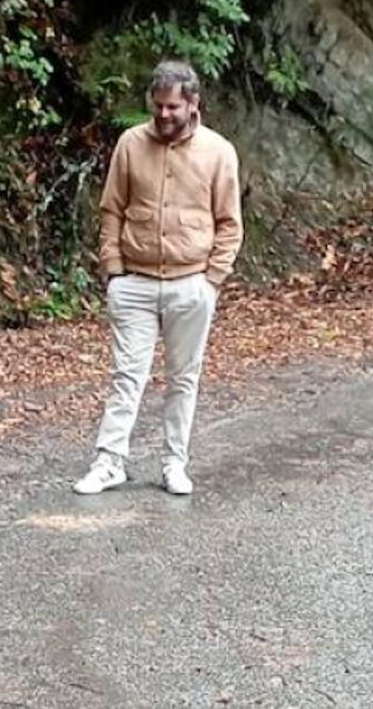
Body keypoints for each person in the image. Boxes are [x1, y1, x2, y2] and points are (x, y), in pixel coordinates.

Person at [73, 60, 243, 496]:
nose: (164, 114)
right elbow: (111, 209)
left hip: (192, 282)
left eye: (173, 106)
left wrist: (213, 279)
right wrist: (113, 270)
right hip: (135, 281)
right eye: (158, 105)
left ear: (193, 104)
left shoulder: (218, 152)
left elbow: (230, 222)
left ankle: (174, 463)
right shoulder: (130, 144)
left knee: (184, 377)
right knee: (127, 375)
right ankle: (109, 462)